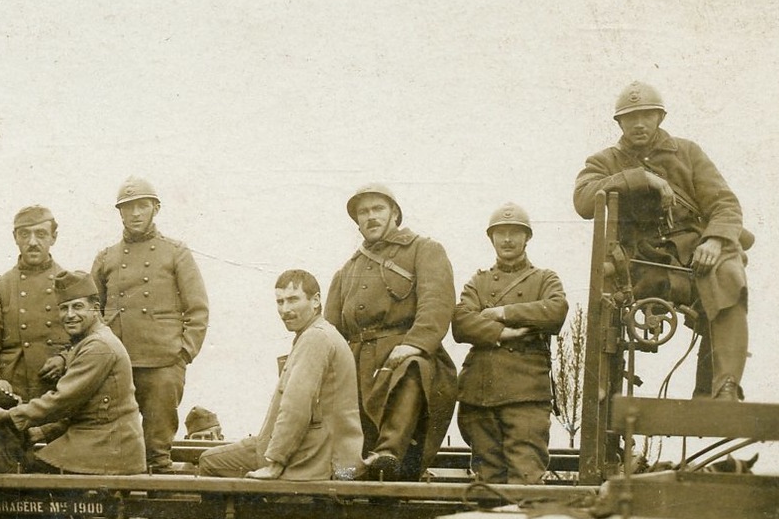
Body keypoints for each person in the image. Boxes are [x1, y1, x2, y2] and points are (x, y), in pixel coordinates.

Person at [573, 81, 752, 400]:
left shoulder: (688, 153)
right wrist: (640, 178)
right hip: (638, 267)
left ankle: (721, 387)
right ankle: (603, 392)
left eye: (647, 115)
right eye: (630, 117)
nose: (639, 123)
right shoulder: (604, 162)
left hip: (692, 258)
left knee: (728, 276)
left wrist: (713, 241)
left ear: (660, 117)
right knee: (604, 295)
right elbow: (584, 201)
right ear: (619, 123)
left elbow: (725, 204)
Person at [325, 183, 457, 481]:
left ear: (394, 213)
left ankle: (390, 451)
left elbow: (437, 304)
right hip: (358, 366)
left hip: (406, 360)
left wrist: (414, 345)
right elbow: (330, 331)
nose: (370, 217)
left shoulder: (424, 250)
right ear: (357, 221)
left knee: (412, 368)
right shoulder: (346, 271)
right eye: (363, 212)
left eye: (377, 209)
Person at [91, 177, 209, 473]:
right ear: (119, 213)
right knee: (117, 448)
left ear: (155, 208)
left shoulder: (175, 252)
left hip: (162, 363)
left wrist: (183, 354)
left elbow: (197, 309)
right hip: (118, 363)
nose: (135, 214)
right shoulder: (106, 257)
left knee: (158, 454)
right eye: (128, 207)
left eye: (142, 206)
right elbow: (92, 308)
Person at [197, 270, 362, 481]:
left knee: (209, 462)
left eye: (293, 299)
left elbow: (296, 407)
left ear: (316, 301)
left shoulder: (315, 338)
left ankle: (244, 515)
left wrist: (276, 461)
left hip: (314, 458)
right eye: (280, 302)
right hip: (325, 453)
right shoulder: (319, 334)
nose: (285, 309)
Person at [451, 204, 569, 485]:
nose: (507, 239)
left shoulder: (544, 279)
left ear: (527, 237)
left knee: (525, 479)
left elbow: (555, 311)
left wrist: (500, 313)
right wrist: (506, 333)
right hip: (480, 394)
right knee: (486, 482)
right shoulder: (478, 282)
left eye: (514, 232)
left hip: (526, 395)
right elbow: (461, 323)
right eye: (500, 233)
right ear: (491, 237)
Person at [0, 270, 146, 476]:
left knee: (16, 475)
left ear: (95, 309)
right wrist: (42, 431)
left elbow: (63, 401)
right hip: (100, 442)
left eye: (78, 307)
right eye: (64, 308)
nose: (70, 315)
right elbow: (84, 407)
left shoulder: (98, 346)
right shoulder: (87, 342)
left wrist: (7, 415)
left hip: (105, 448)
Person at [0, 205, 69, 402]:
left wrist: (65, 359)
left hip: (59, 391)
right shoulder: (0, 287)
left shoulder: (70, 283)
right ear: (15, 237)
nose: (32, 242)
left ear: (54, 237)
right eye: (25, 234)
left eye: (40, 234)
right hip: (12, 391)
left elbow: (93, 338)